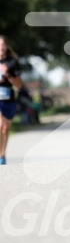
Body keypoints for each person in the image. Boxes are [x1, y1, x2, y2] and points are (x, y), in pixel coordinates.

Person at [0, 36, 23, 164]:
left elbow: (19, 85)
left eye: (2, 44)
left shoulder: (12, 63)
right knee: (0, 125)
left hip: (8, 99)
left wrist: (7, 74)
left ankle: (2, 155)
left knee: (5, 128)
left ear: (6, 46)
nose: (1, 47)